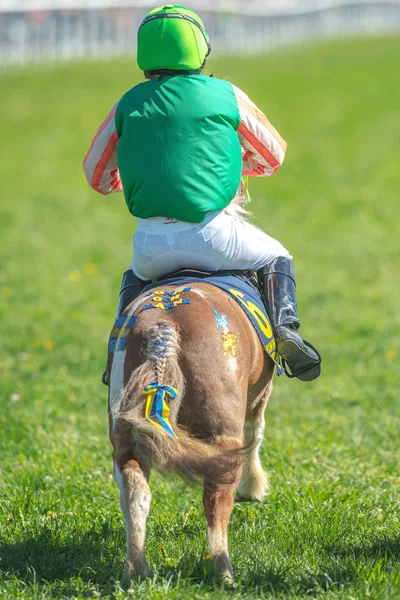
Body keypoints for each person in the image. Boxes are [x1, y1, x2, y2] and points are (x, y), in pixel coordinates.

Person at [83, 4, 321, 382]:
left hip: (149, 250)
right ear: (199, 50)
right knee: (278, 254)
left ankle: (117, 353)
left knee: (134, 274)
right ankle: (286, 333)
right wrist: (229, 167)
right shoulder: (225, 93)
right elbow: (273, 155)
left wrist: (134, 178)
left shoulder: (126, 104)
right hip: (215, 236)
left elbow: (96, 175)